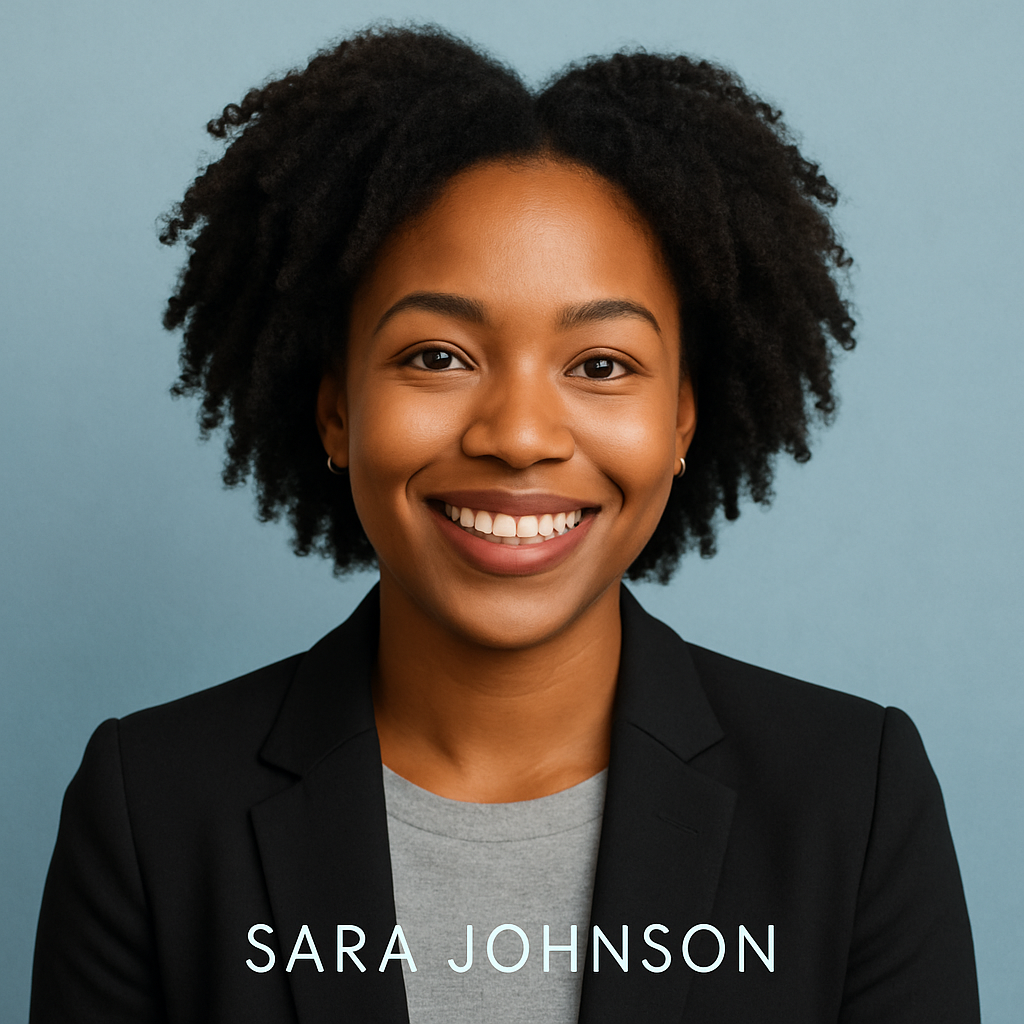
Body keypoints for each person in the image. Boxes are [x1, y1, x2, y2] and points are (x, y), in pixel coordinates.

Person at [30, 24, 979, 1024]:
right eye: (436, 356)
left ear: (682, 420)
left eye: (601, 365)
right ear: (336, 411)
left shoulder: (852, 801)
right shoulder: (153, 810)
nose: (519, 435)